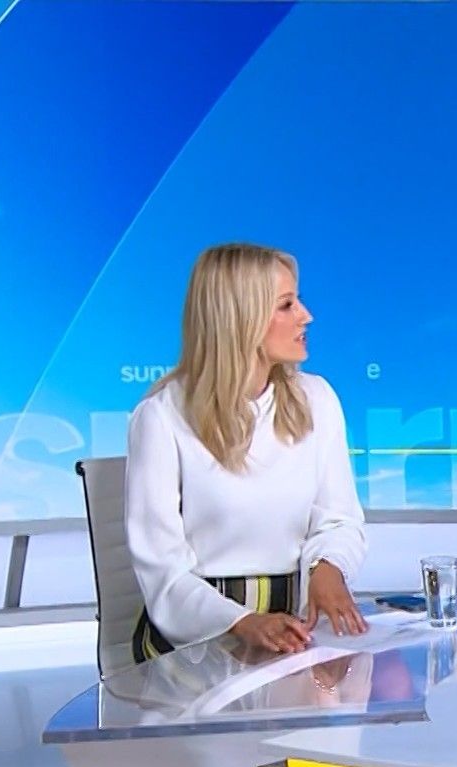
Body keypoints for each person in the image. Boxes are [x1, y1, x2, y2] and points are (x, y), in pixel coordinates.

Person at [125, 242, 368, 661]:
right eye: (286, 305)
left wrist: (328, 568)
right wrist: (240, 622)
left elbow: (339, 519)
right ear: (241, 318)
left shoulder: (318, 399)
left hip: (295, 631)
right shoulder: (161, 417)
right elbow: (162, 572)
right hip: (195, 642)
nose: (306, 315)